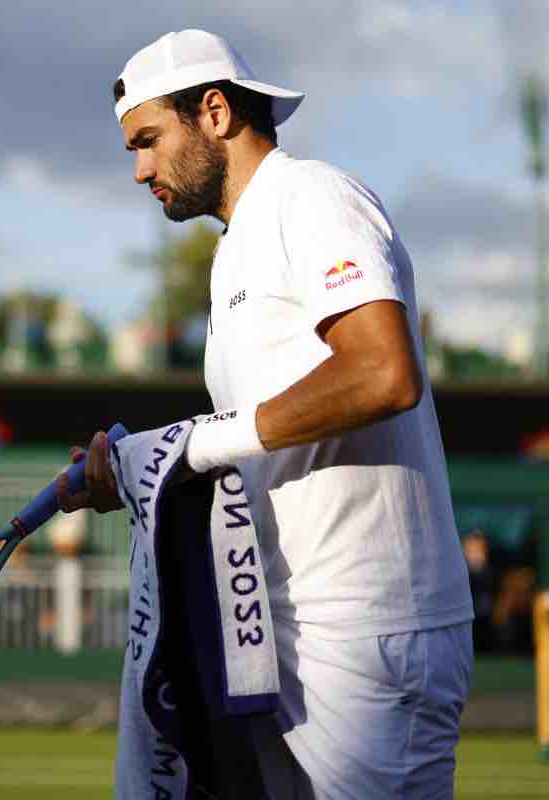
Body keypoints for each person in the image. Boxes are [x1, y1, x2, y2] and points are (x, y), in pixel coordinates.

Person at [58, 29, 473, 799]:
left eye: (148, 140)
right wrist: (141, 467)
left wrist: (199, 443)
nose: (140, 169)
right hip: (282, 635)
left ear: (214, 112)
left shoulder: (311, 196)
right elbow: (262, 435)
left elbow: (384, 372)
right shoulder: (234, 251)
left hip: (371, 632)